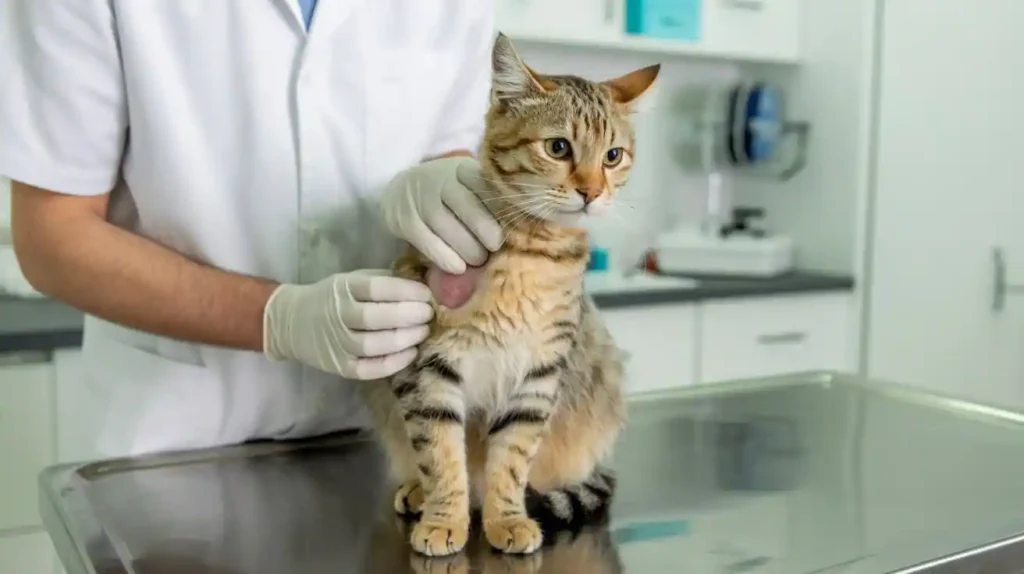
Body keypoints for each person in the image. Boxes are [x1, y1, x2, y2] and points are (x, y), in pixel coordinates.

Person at [0, 0, 504, 459]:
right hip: (174, 440)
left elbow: (449, 146)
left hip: (386, 435)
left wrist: (442, 192)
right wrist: (278, 318)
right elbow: (54, 235)